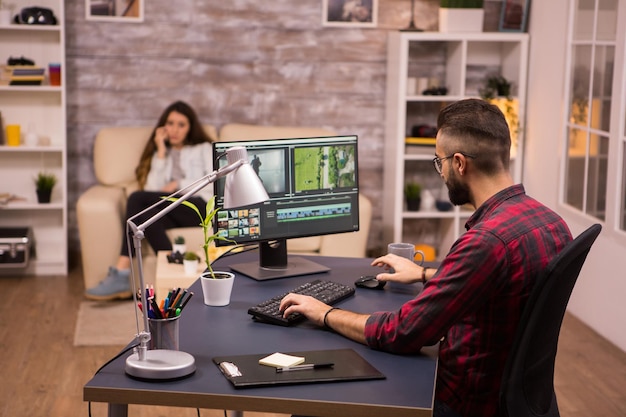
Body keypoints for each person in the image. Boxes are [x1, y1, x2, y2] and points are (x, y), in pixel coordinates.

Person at [279, 99, 572, 417]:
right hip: (520, 399)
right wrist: (425, 274)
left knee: (314, 403)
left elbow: (404, 333)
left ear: (459, 163)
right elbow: (505, 281)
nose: (441, 172)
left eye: (439, 161)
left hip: (459, 404)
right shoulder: (550, 222)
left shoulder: (485, 241)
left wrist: (323, 313)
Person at [85, 101, 214, 301]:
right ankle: (175, 270)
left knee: (136, 198)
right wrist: (161, 151)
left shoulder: (204, 148)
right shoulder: (161, 153)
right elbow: (153, 190)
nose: (174, 130)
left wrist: (177, 184)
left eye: (181, 124)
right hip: (172, 207)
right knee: (145, 215)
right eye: (170, 123)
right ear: (163, 126)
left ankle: (121, 272)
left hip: (198, 205)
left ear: (190, 128)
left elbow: (213, 182)